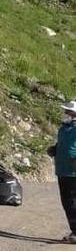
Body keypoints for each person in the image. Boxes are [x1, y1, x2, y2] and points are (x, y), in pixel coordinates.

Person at [48, 101, 76, 243]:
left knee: (72, 202)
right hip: (63, 170)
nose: (66, 114)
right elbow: (63, 145)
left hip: (73, 171)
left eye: (69, 112)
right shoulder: (64, 129)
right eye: (66, 111)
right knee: (67, 202)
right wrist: (54, 149)